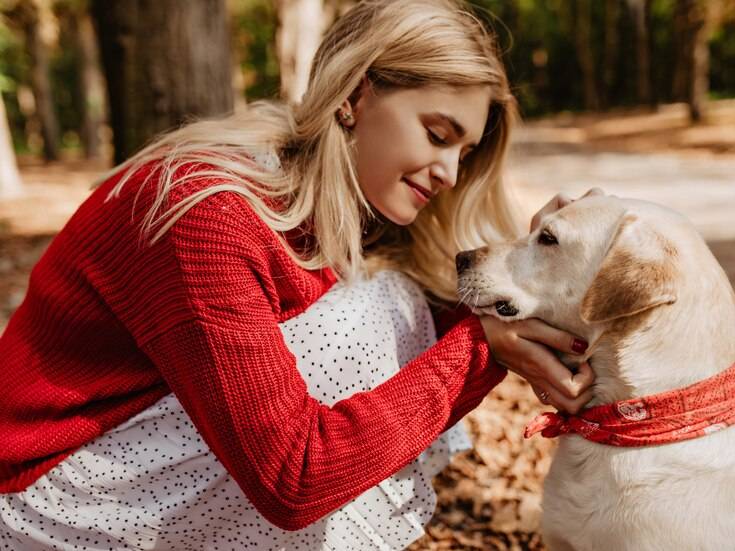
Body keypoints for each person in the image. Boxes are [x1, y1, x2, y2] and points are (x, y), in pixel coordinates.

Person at [0, 0, 595, 549]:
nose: (446, 172)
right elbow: (295, 479)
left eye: (462, 155)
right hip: (36, 494)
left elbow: (456, 328)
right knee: (380, 315)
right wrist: (481, 349)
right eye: (437, 135)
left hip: (117, 472)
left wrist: (533, 270)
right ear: (356, 94)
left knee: (403, 303)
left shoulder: (346, 205)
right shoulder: (207, 211)